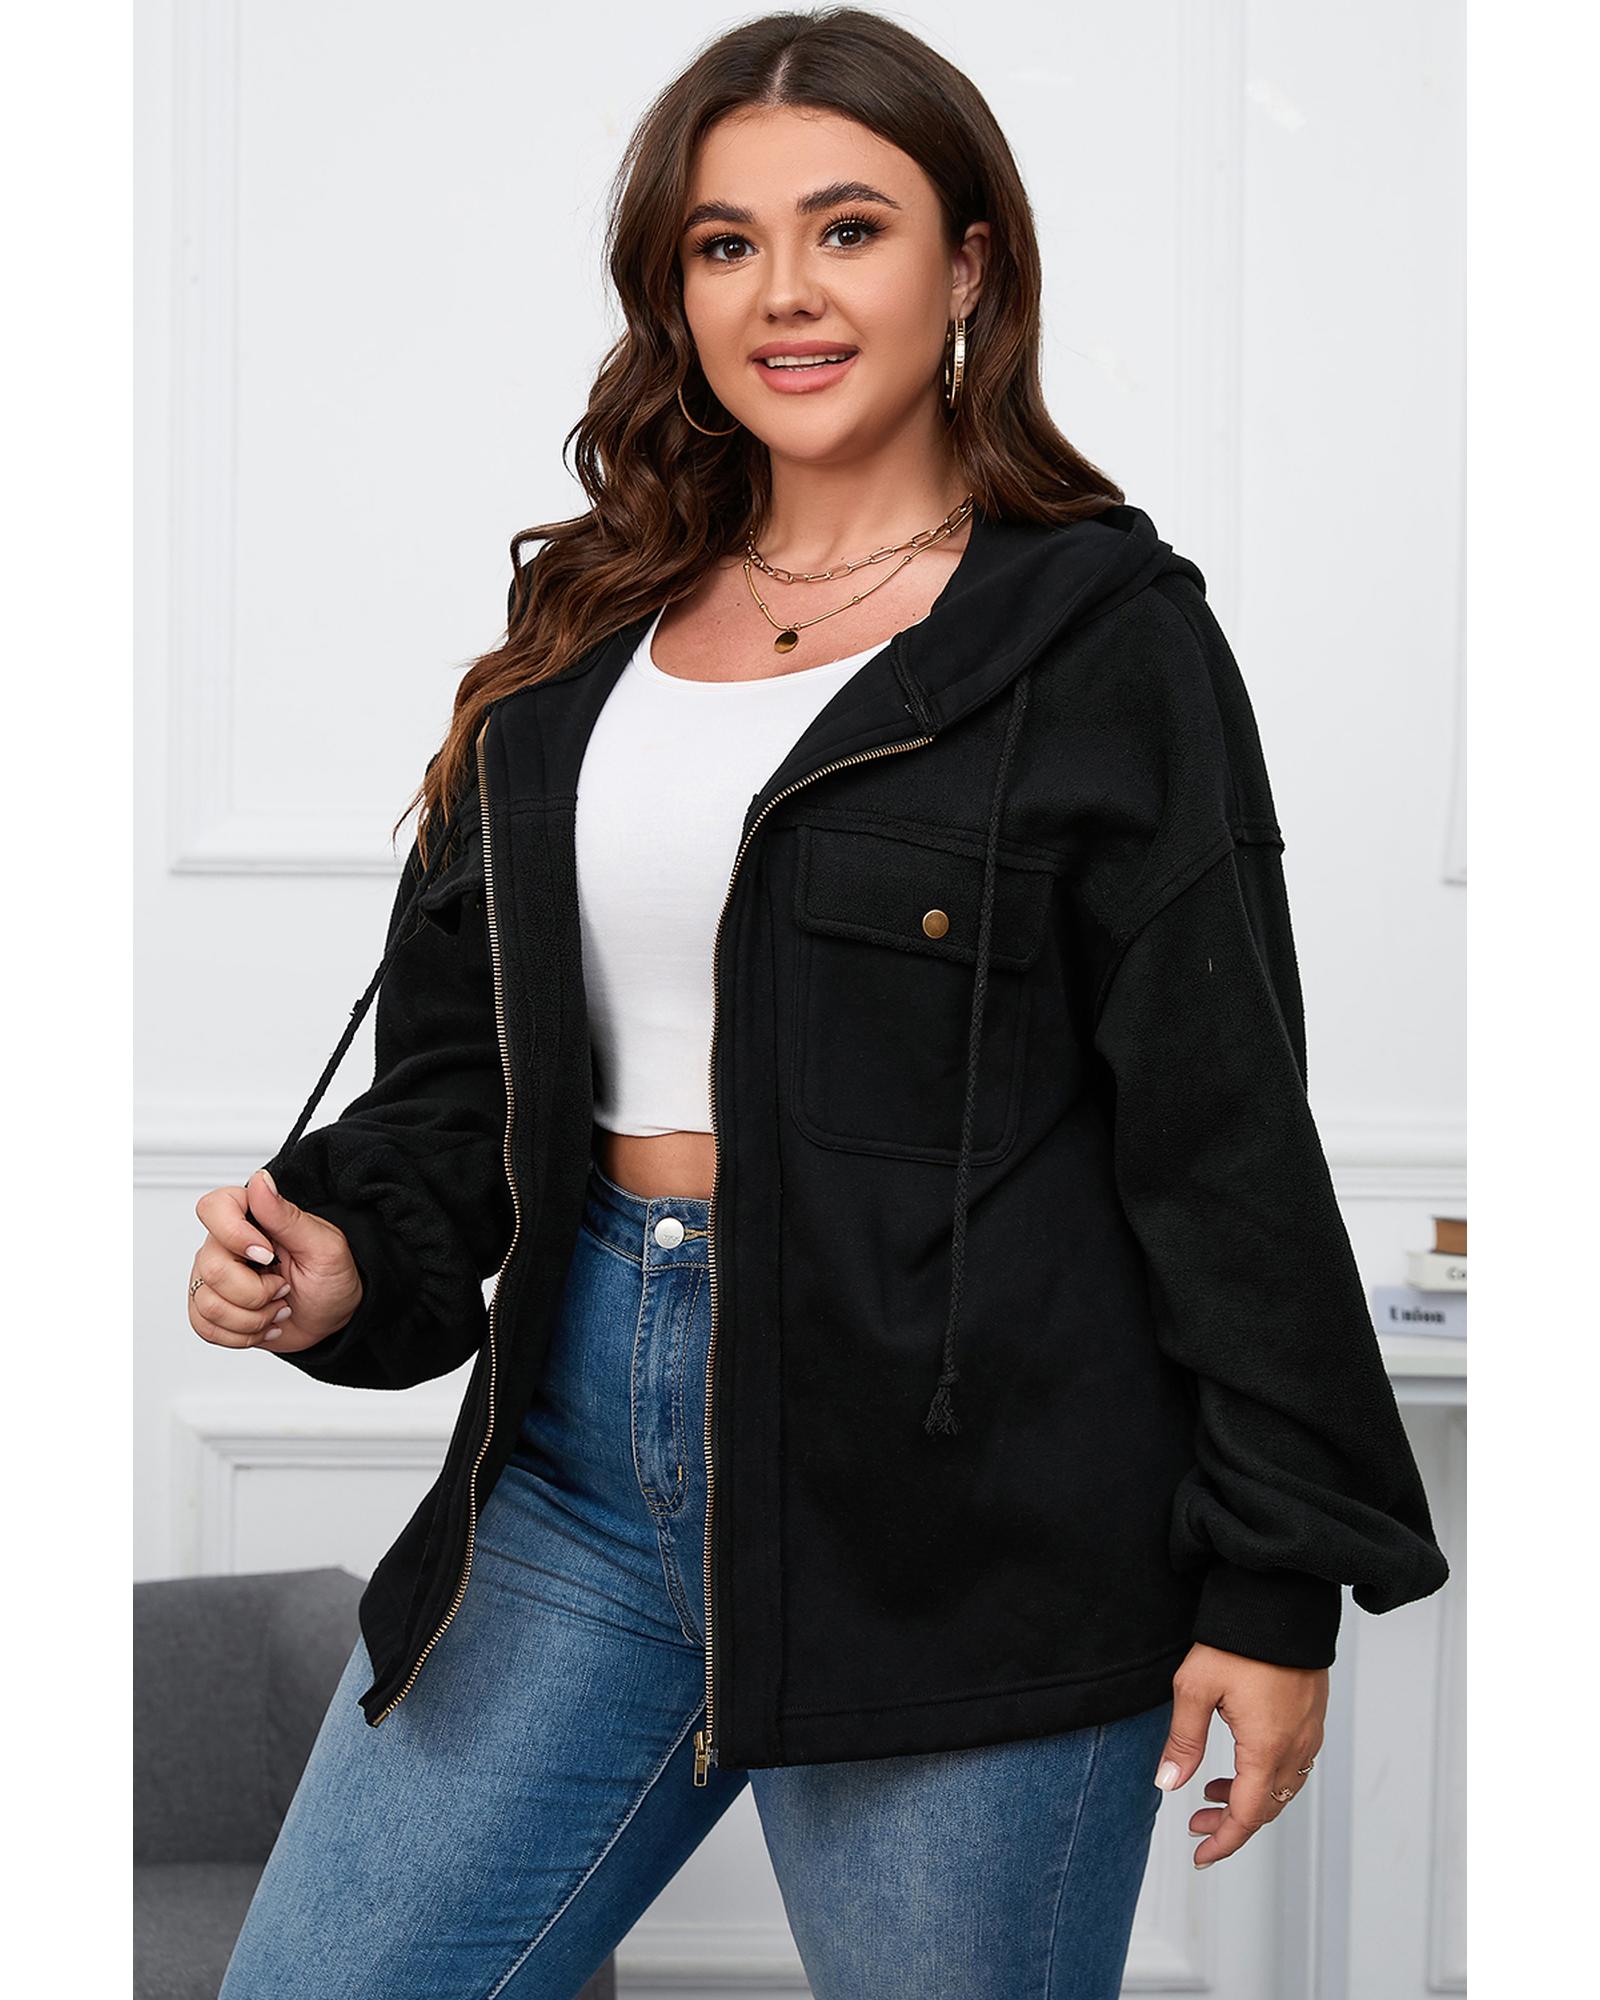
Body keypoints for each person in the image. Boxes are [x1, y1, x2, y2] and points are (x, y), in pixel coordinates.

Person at [190, 10, 1450, 1996]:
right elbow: (462, 1086)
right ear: (675, 290)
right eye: (725, 243)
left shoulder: (1101, 642)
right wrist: (344, 1256)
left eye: (847, 228)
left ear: (966, 268)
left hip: (965, 1506)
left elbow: (1217, 1133)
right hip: (576, 1465)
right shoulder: (580, 644)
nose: (782, 290)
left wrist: (1274, 1582)